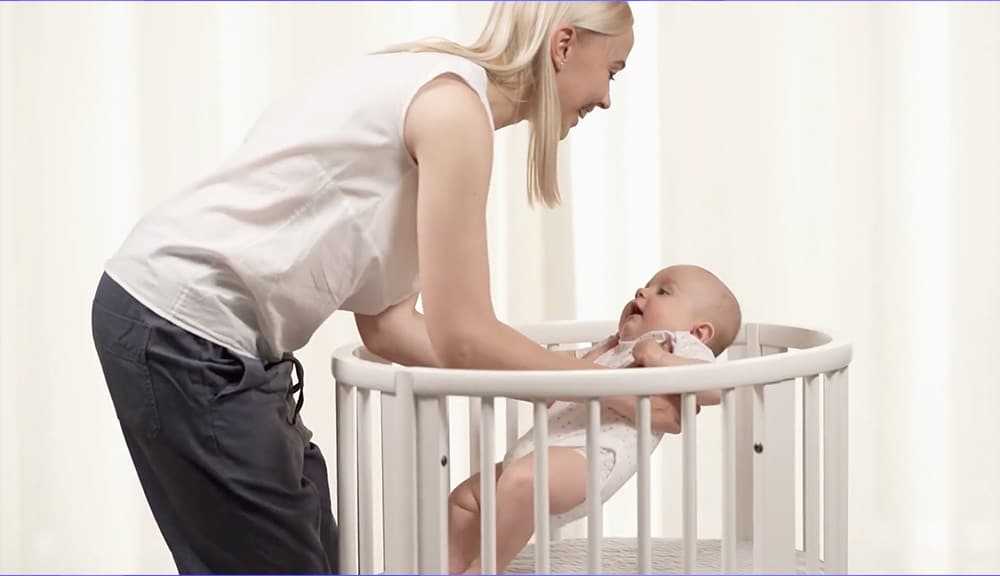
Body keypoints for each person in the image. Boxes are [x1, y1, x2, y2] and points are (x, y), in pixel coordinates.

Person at [89, 2, 635, 574]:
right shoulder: (453, 111)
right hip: (184, 325)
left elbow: (390, 325)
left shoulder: (434, 90)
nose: (606, 98)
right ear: (564, 45)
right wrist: (608, 390)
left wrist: (565, 383)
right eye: (612, 71)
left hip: (197, 330)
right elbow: (464, 338)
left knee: (319, 556)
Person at [447, 265, 742, 575]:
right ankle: (449, 567)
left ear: (699, 332)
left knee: (524, 480)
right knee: (465, 501)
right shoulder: (611, 346)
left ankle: (485, 568)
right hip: (537, 452)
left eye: (663, 292)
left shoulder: (676, 345)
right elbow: (553, 368)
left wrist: (657, 358)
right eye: (646, 285)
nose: (642, 292)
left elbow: (714, 388)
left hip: (589, 458)